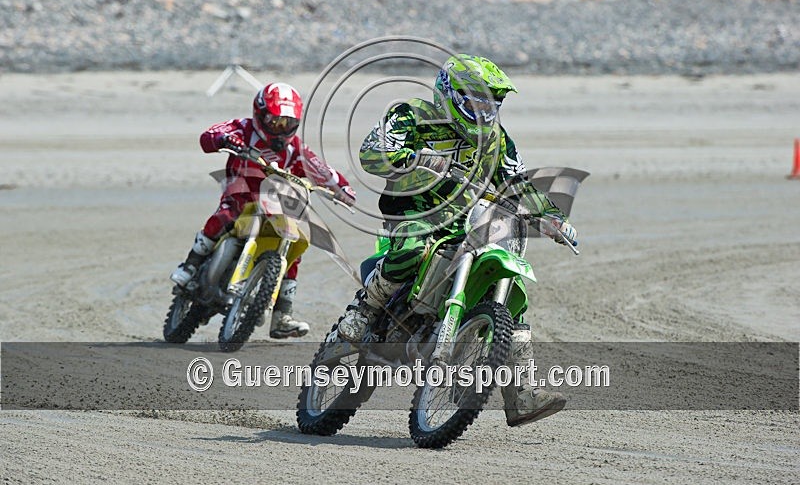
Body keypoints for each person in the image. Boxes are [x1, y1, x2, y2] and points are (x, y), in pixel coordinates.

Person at [338, 54, 577, 426]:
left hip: (470, 221)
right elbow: (373, 152)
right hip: (415, 212)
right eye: (476, 101)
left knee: (512, 297)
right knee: (413, 251)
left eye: (491, 104)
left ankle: (524, 394)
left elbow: (517, 184)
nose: (483, 112)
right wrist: (413, 158)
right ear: (450, 93)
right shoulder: (413, 115)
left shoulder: (498, 141)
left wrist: (552, 218)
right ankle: (364, 309)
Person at [170, 82, 356, 339]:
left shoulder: (295, 150)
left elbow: (321, 170)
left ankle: (282, 315)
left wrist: (342, 189)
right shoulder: (243, 129)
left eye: (287, 123)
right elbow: (208, 136)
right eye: (275, 121)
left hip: (275, 205)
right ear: (259, 113)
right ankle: (191, 265)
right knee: (224, 216)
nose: (281, 129)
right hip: (240, 197)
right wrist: (225, 139)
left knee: (296, 242)